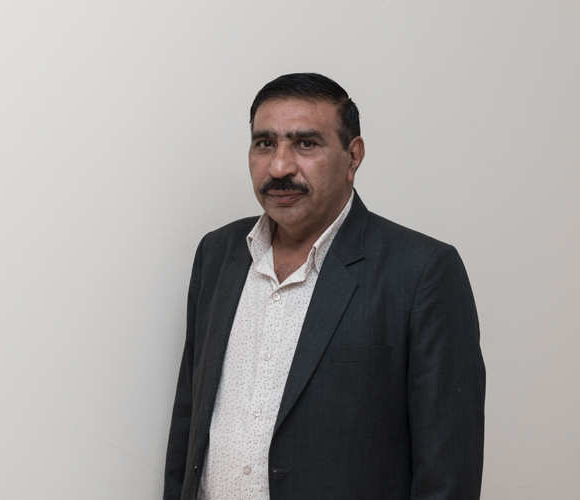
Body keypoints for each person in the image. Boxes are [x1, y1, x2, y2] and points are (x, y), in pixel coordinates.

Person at [163, 73, 485, 500]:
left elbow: (448, 475)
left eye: (305, 144)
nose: (279, 167)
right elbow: (188, 423)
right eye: (265, 143)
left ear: (353, 156)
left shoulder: (422, 271)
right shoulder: (217, 254)